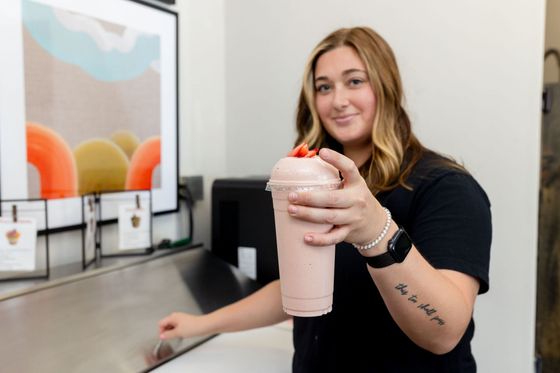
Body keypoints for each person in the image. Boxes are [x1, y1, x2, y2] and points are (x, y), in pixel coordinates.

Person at [158, 26, 491, 372]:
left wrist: (377, 231)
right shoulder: (319, 182)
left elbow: (445, 333)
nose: (338, 100)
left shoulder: (447, 187)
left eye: (355, 81)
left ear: (386, 86)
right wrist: (202, 324)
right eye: (324, 87)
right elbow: (294, 288)